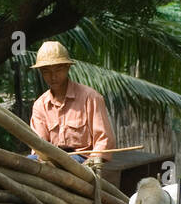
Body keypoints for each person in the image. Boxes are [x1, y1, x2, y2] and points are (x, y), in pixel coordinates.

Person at [27, 40, 116, 169]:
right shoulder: (40, 105)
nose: (53, 76)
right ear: (41, 72)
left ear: (67, 67)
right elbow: (39, 144)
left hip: (82, 159)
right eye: (46, 71)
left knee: (66, 164)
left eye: (58, 70)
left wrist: (95, 159)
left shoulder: (90, 98)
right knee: (26, 162)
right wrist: (43, 159)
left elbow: (103, 138)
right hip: (52, 160)